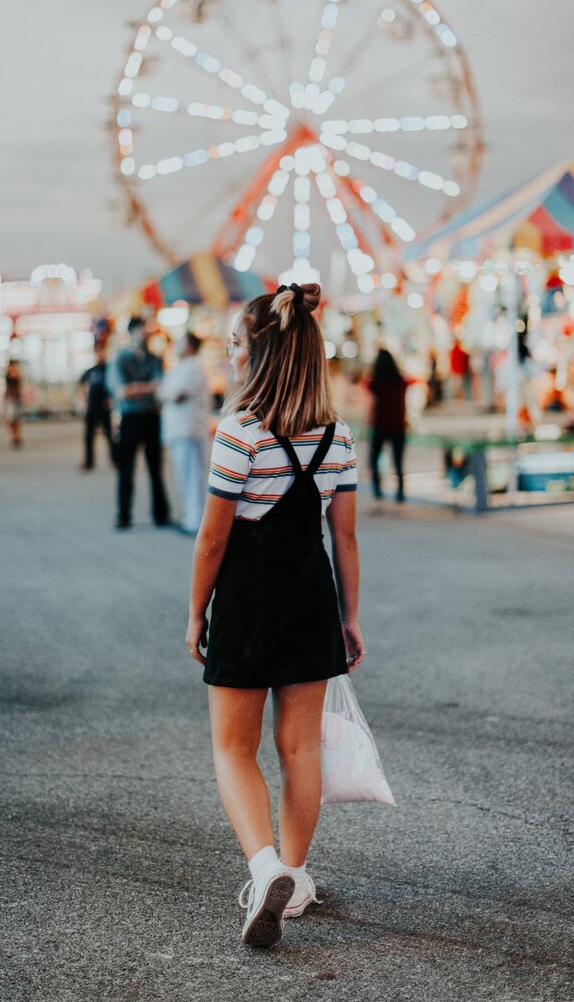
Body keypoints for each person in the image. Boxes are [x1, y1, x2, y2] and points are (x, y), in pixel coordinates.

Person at [185, 282, 363, 949]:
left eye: (235, 344)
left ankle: (264, 871)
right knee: (301, 746)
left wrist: (195, 612)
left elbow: (212, 539)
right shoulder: (337, 437)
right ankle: (296, 874)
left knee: (234, 747)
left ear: (257, 354)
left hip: (248, 599)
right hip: (312, 595)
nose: (229, 355)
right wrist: (351, 617)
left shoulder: (239, 434)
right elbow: (344, 536)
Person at [108, 316, 170, 530]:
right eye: (143, 330)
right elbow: (122, 391)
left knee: (156, 467)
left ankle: (161, 514)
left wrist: (137, 388)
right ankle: (123, 514)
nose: (146, 334)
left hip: (151, 417)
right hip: (130, 419)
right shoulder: (120, 359)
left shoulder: (154, 359)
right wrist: (148, 387)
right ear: (133, 331)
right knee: (126, 468)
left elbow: (161, 386)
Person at [157, 331, 211, 535]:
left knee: (192, 476)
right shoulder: (183, 367)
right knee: (185, 476)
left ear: (189, 346)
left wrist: (164, 391)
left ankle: (195, 520)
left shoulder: (193, 368)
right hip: (181, 430)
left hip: (188, 429)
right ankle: (192, 517)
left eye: (181, 342)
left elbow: (174, 393)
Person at [365, 348, 408, 502]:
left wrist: (368, 422)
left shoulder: (375, 383)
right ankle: (400, 492)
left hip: (380, 425)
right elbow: (403, 403)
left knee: (374, 458)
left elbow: (371, 405)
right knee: (398, 461)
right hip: (398, 426)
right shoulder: (400, 381)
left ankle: (377, 490)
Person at [79, 346, 115, 470]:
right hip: (92, 407)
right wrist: (84, 398)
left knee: (110, 435)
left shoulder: (110, 370)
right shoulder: (91, 371)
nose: (101, 355)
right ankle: (89, 461)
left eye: (103, 352)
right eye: (99, 352)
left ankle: (115, 459)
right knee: (89, 435)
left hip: (105, 407)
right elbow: (81, 385)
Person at [4, 359, 23, 448]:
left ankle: (17, 436)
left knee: (14, 419)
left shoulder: (16, 373)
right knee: (10, 419)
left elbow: (17, 380)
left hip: (14, 398)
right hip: (10, 398)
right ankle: (15, 436)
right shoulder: (8, 373)